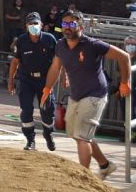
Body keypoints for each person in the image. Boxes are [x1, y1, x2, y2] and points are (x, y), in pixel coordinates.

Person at [41, 10, 132, 180]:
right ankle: (105, 165)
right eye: (65, 24)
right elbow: (55, 67)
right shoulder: (61, 45)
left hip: (95, 94)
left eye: (71, 24)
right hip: (76, 95)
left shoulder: (92, 44)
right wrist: (47, 88)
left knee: (82, 136)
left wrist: (124, 83)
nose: (67, 27)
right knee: (78, 134)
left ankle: (83, 179)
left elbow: (124, 57)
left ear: (80, 26)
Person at [7, 12, 58, 151]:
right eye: (30, 24)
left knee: (47, 111)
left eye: (36, 23)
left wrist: (62, 78)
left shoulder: (50, 39)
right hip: (26, 79)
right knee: (26, 110)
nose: (33, 26)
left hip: (45, 81)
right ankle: (30, 140)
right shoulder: (21, 41)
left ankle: (48, 134)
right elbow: (15, 62)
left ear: (41, 25)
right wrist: (10, 81)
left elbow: (58, 62)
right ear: (26, 26)